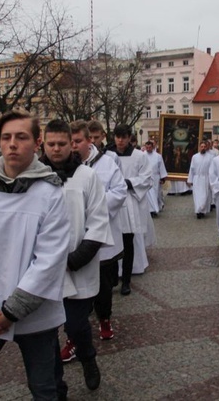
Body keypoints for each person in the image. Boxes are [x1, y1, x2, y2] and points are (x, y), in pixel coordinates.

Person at [0, 110, 70, 400]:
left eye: (21, 137)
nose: (12, 144)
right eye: (6, 137)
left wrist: (13, 310)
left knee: (43, 387)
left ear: (36, 143)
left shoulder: (50, 192)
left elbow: (50, 258)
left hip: (33, 312)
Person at [40, 120, 111, 394]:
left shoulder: (87, 176)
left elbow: (98, 221)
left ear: (72, 144)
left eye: (62, 143)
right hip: (43, 268)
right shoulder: (34, 176)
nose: (56, 149)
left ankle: (88, 357)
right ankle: (56, 385)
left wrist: (76, 258)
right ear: (43, 145)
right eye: (51, 144)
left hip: (77, 266)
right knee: (45, 333)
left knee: (76, 324)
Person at [70, 121, 127, 341]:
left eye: (78, 141)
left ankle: (104, 319)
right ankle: (74, 332)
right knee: (73, 286)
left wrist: (93, 205)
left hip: (101, 234)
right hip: (74, 237)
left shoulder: (106, 163)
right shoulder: (64, 165)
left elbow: (120, 191)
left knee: (103, 284)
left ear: (89, 140)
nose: (74, 146)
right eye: (71, 141)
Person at [107, 124, 153, 296]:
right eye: (117, 136)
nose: (120, 140)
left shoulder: (139, 156)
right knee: (110, 242)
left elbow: (147, 178)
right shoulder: (107, 156)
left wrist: (128, 183)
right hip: (111, 201)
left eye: (124, 137)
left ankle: (126, 280)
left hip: (130, 201)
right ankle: (112, 278)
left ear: (129, 138)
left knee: (128, 242)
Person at [187, 140, 214, 219]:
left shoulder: (210, 157)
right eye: (201, 147)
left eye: (204, 147)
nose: (203, 148)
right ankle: (198, 211)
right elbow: (191, 169)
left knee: (205, 196)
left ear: (206, 147)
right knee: (197, 195)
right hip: (197, 179)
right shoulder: (195, 157)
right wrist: (190, 180)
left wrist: (212, 180)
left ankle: (202, 209)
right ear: (199, 147)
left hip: (206, 178)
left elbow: (212, 169)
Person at [143, 140, 167, 216]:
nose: (148, 149)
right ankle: (150, 210)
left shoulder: (158, 156)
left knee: (155, 193)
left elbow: (161, 167)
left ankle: (154, 209)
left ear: (152, 147)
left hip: (155, 177)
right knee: (147, 194)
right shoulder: (142, 156)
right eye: (147, 147)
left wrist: (163, 178)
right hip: (145, 177)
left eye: (149, 147)